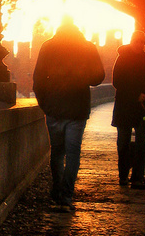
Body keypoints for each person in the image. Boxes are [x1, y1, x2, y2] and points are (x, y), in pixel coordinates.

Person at [33, 16, 105, 212]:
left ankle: (57, 191)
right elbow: (99, 77)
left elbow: (38, 79)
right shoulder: (87, 47)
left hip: (54, 108)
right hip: (77, 109)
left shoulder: (48, 47)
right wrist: (82, 76)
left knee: (57, 153)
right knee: (73, 153)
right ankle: (66, 195)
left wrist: (45, 104)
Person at [111, 30, 145, 189]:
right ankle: (123, 175)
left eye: (141, 41)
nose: (139, 44)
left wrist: (144, 93)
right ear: (132, 41)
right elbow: (117, 81)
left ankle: (137, 177)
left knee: (142, 142)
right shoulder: (122, 58)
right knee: (123, 143)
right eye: (136, 41)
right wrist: (136, 94)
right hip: (125, 108)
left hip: (143, 110)